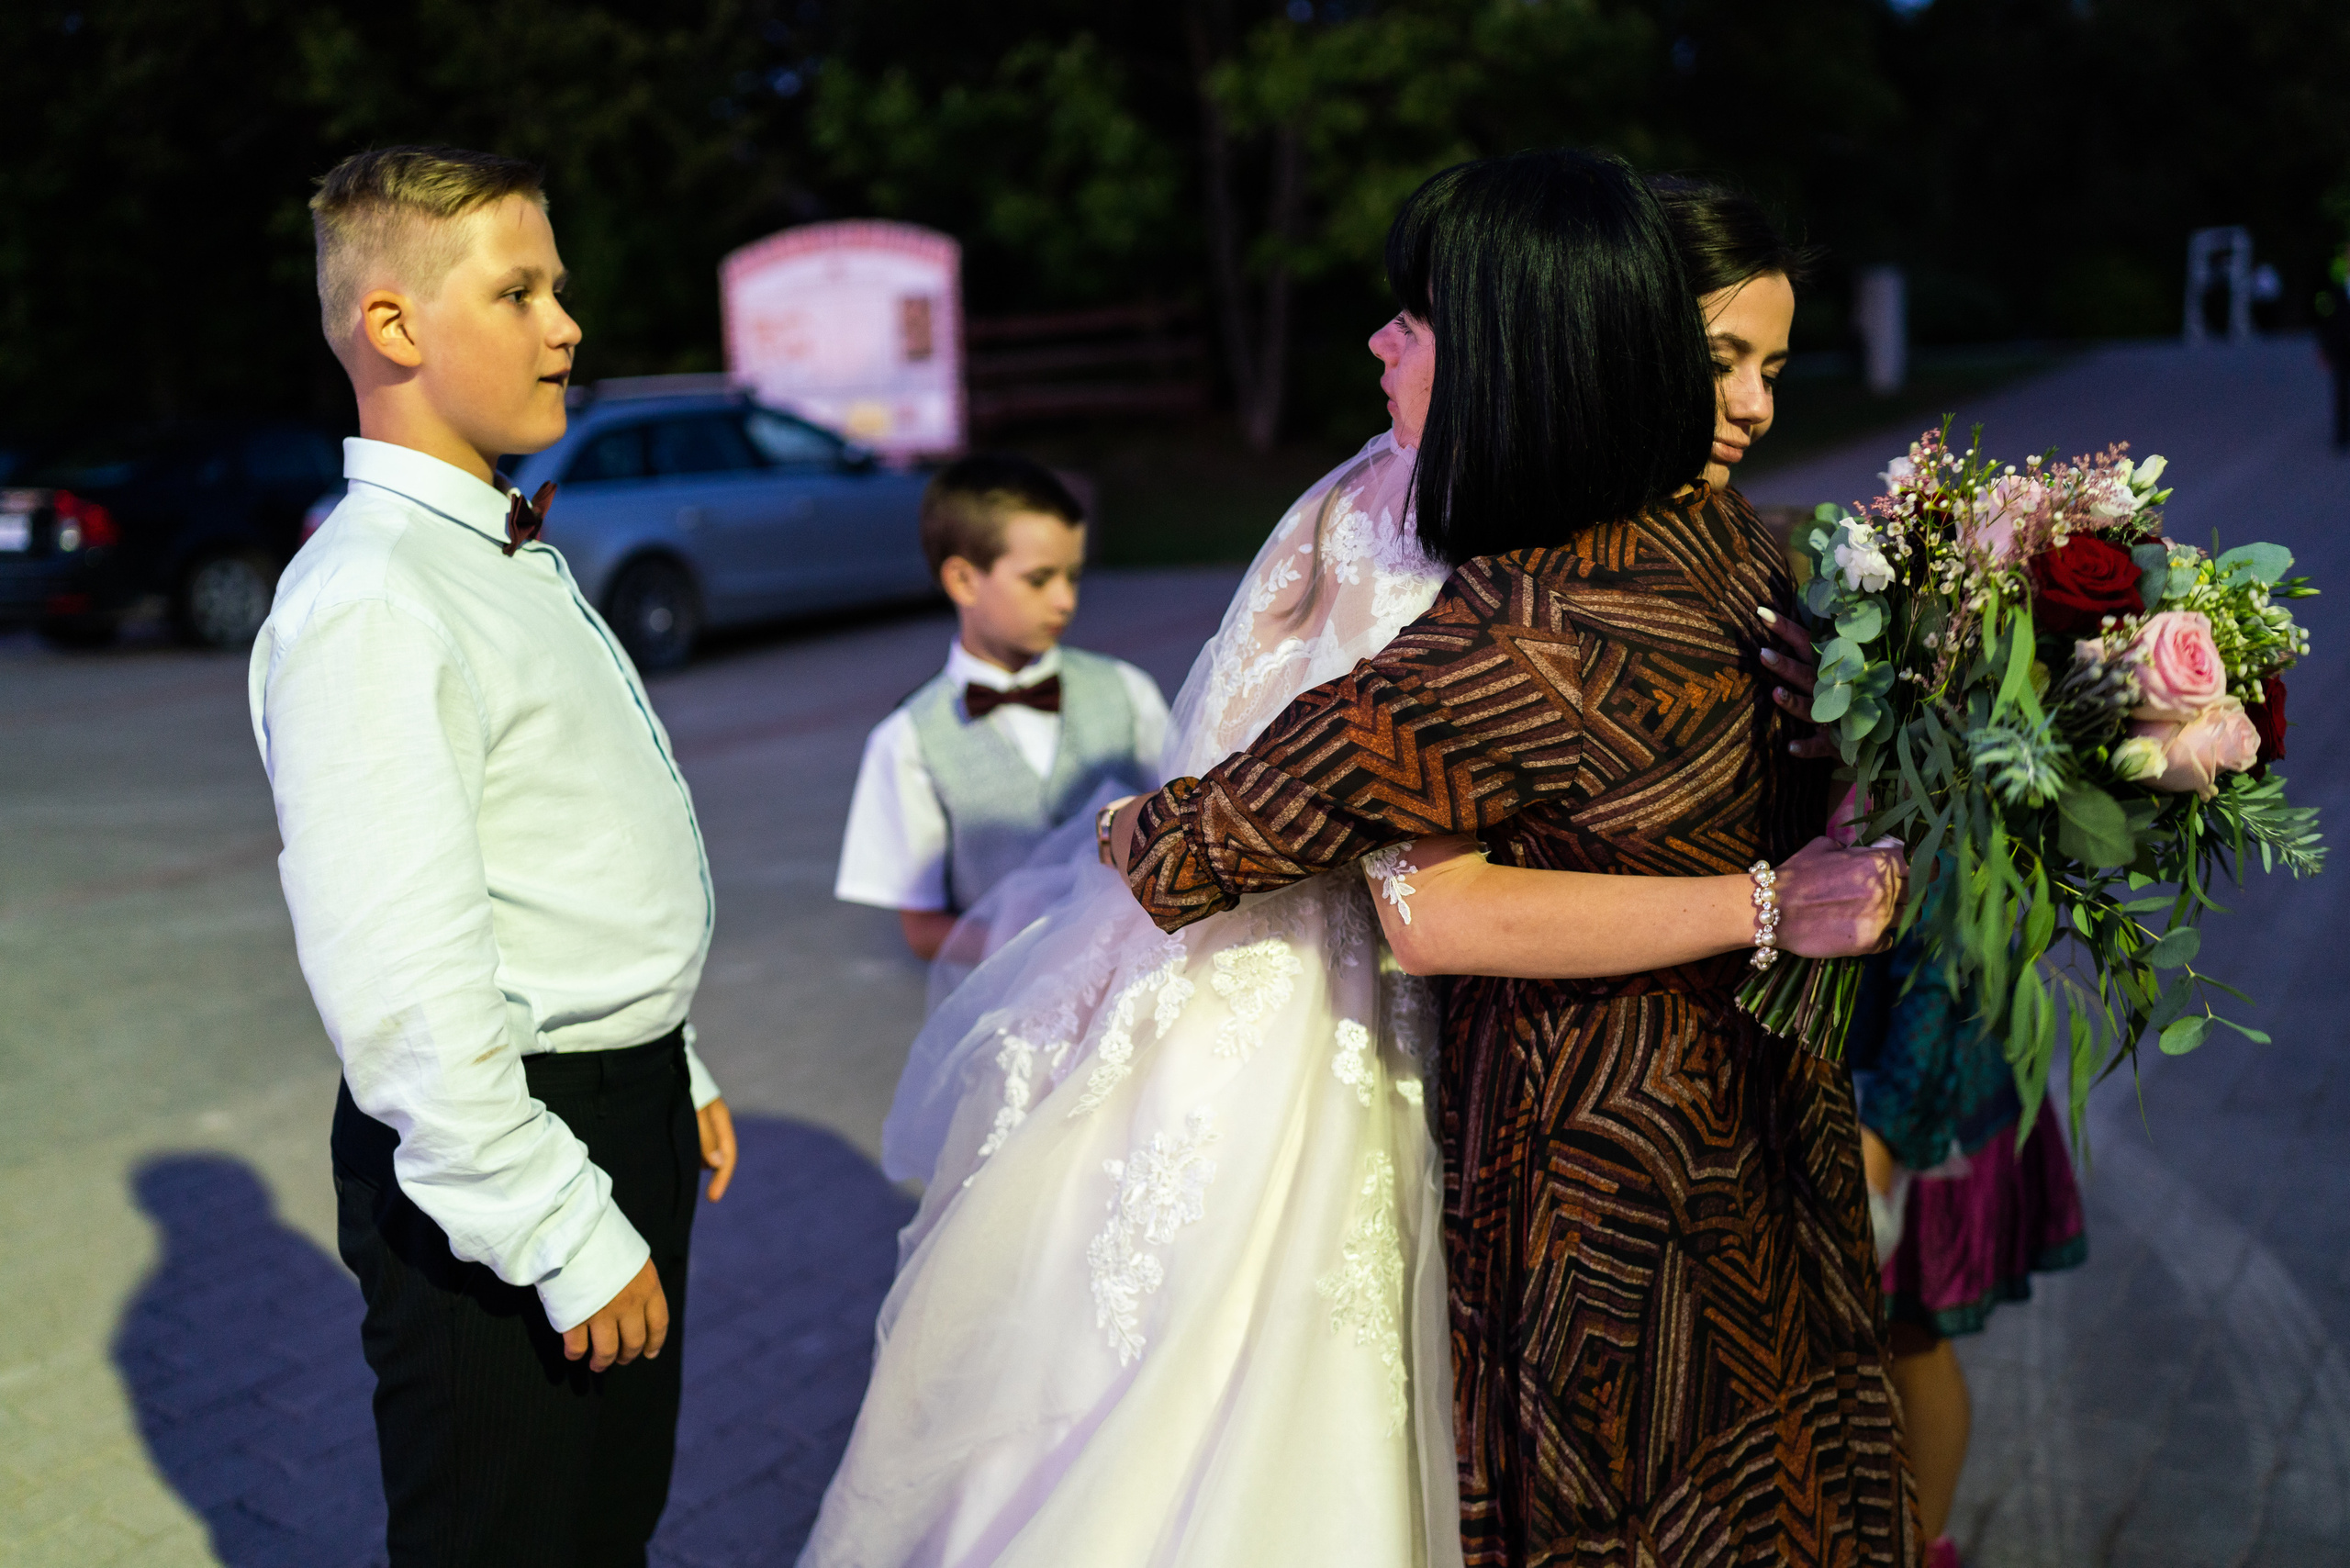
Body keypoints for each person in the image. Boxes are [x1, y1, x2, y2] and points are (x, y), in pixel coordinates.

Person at [1112, 150, 1919, 1564]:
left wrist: (1124, 820)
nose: (1751, 400)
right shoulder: (1762, 562)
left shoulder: (1502, 640)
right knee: (1791, 1492)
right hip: (1769, 1138)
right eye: (1725, 357)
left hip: (1596, 1192)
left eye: (1415, 320)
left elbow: (1197, 851)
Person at [250, 146, 737, 1568]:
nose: (565, 325)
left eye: (559, 289)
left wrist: (670, 1055)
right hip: (510, 1156)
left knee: (603, 1523)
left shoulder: (497, 549)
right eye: (517, 291)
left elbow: (556, 857)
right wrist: (558, 1225)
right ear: (394, 327)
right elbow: (403, 986)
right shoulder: (372, 596)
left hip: (609, 1104)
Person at [834, 454, 1169, 960]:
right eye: (1039, 579)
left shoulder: (1127, 690)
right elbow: (923, 927)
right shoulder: (906, 740)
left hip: (1137, 980)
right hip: (1006, 1005)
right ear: (964, 581)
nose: (1064, 600)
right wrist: (1040, 952)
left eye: (1073, 576)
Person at [1846, 941, 2087, 1568]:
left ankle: (1926, 1543)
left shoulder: (1939, 841)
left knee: (1914, 1338)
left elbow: (1939, 968)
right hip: (1898, 1088)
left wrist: (1882, 1140)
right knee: (1898, 1341)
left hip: (1921, 1113)